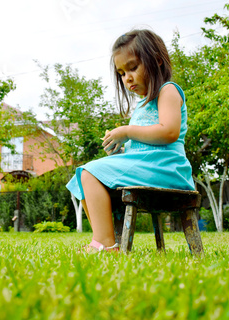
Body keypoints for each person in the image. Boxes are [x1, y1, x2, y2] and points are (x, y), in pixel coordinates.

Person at [66, 29, 195, 253]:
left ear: (156, 60)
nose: (127, 78)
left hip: (166, 167)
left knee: (88, 172)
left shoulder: (168, 91)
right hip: (151, 166)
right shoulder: (143, 105)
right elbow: (142, 145)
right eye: (121, 73)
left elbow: (169, 132)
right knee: (82, 179)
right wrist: (121, 149)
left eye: (133, 67)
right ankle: (103, 239)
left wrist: (127, 130)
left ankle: (106, 245)